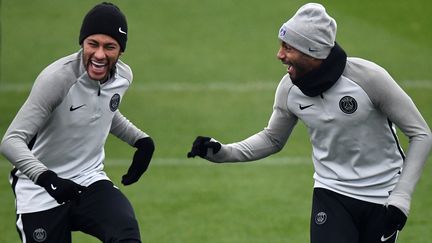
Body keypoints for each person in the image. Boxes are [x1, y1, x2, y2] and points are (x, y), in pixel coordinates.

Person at [187, 3, 432, 243]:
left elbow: (421, 134)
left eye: (288, 48)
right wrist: (224, 152)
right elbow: (272, 138)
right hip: (331, 192)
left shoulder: (369, 78)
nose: (279, 55)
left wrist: (401, 197)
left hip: (382, 195)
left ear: (313, 51)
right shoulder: (289, 89)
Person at [0, 2, 155, 242]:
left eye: (110, 47)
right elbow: (11, 141)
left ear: (121, 51)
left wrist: (141, 140)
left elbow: (103, 111)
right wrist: (48, 179)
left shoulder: (123, 77)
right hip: (40, 192)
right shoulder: (57, 79)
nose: (100, 55)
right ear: (82, 42)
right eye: (93, 44)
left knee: (126, 234)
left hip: (89, 180)